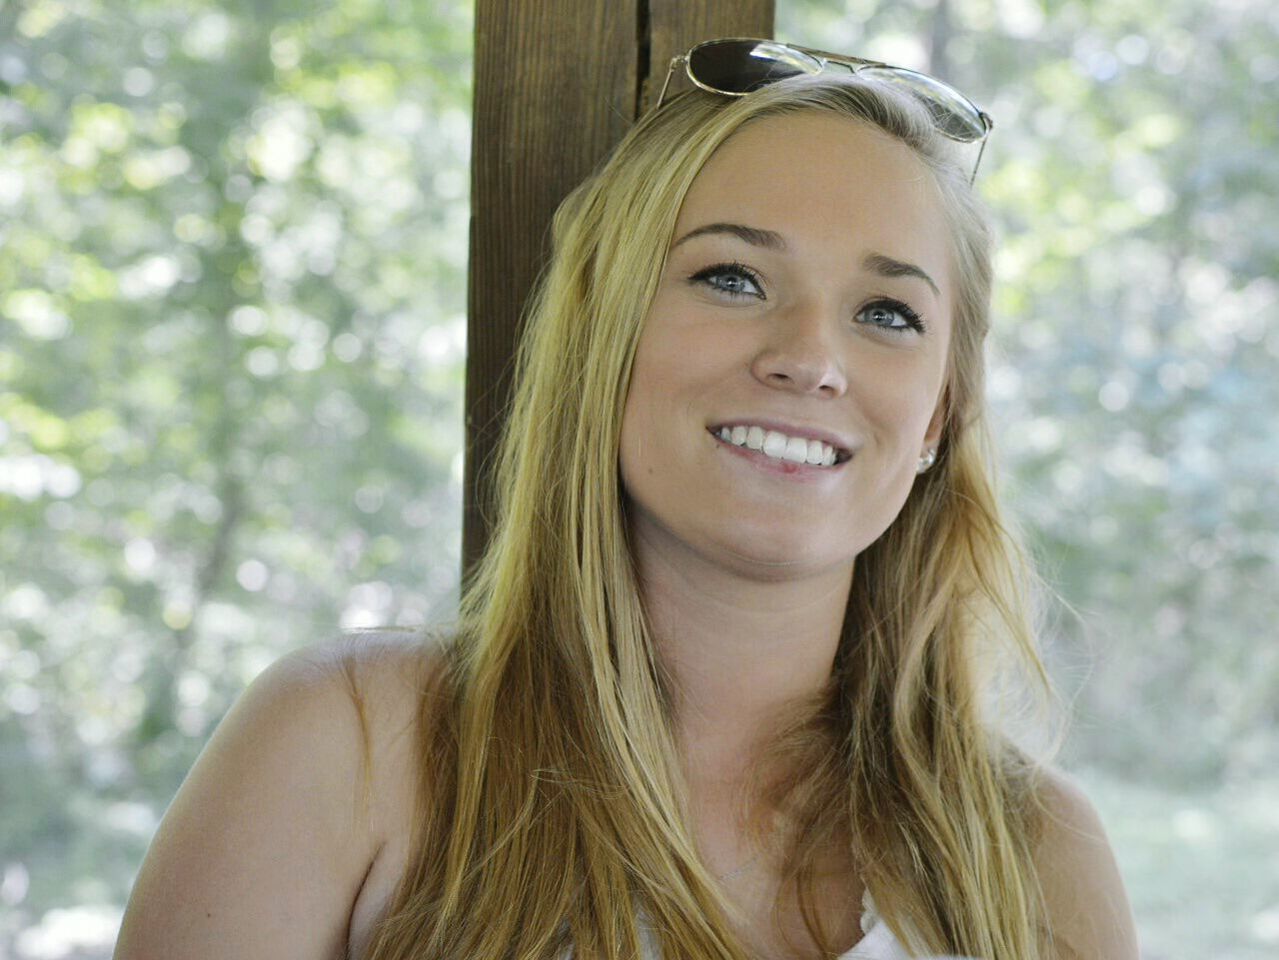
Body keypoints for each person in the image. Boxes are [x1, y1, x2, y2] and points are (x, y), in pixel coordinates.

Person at [113, 39, 1138, 960]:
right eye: (732, 278)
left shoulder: (1035, 854)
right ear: (604, 338)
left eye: (885, 311)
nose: (809, 359)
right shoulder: (350, 743)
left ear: (935, 420)